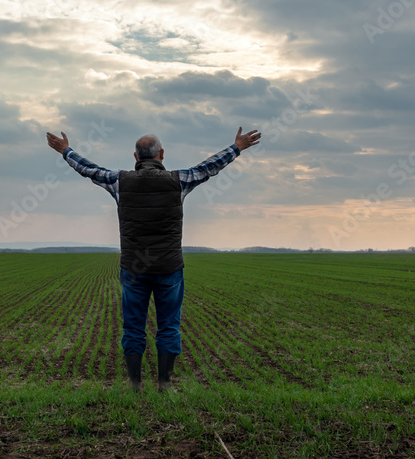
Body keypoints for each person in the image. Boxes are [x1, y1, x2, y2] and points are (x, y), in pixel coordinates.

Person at [45, 127, 261, 392]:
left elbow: (89, 169)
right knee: (169, 326)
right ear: (161, 155)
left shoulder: (119, 181)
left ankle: (135, 384)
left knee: (133, 327)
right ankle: (165, 383)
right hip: (169, 268)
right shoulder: (179, 180)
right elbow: (209, 167)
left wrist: (65, 150)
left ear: (135, 156)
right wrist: (236, 147)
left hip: (134, 269)